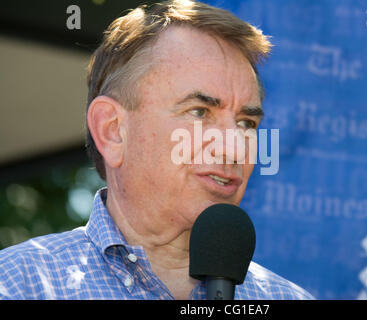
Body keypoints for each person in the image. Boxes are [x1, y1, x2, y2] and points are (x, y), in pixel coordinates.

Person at [0, 0, 314, 300]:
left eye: (246, 123)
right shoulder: (19, 285)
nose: (234, 148)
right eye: (199, 112)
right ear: (112, 131)